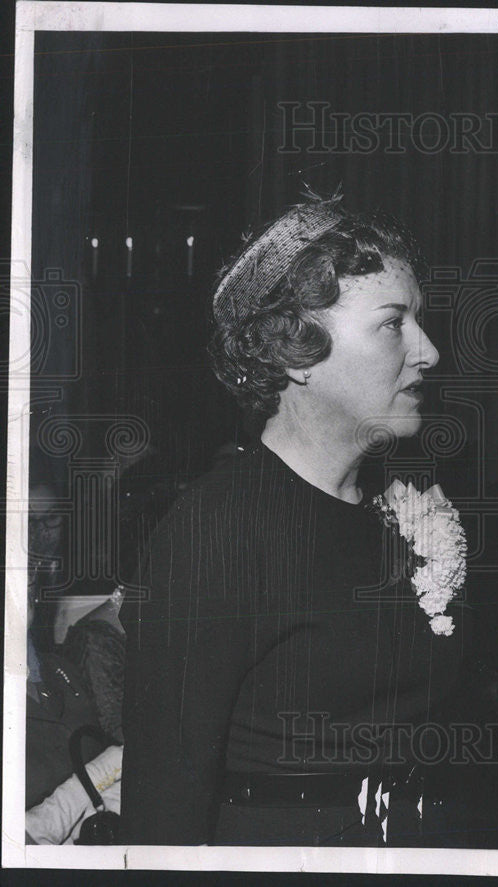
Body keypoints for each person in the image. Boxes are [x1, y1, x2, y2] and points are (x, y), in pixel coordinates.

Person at [121, 193, 470, 846]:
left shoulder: (401, 509)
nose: (429, 352)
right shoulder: (216, 532)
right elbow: (162, 811)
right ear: (294, 347)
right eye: (394, 323)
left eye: (421, 320)